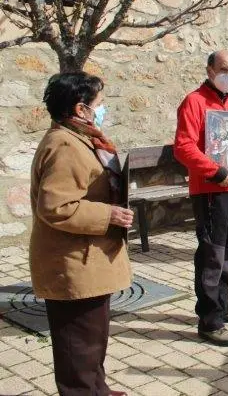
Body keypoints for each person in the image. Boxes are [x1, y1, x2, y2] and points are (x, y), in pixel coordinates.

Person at [30, 72, 132, 396]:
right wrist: (109, 213)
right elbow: (56, 207)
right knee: (78, 349)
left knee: (91, 339)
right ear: (79, 109)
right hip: (72, 264)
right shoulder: (64, 146)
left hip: (88, 261)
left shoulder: (78, 138)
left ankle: (97, 388)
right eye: (99, 104)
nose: (103, 110)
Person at [174, 50, 228, 346]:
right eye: (223, 68)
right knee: (212, 255)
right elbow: (183, 147)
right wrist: (216, 172)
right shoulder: (194, 102)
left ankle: (225, 303)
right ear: (209, 70)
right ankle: (209, 320)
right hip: (211, 190)